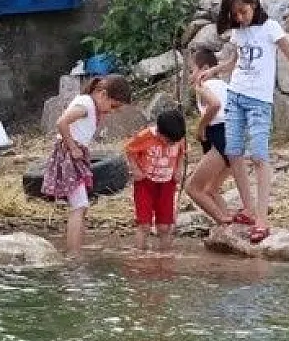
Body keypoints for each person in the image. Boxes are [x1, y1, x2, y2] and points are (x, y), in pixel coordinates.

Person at [193, 0, 289, 244]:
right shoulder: (239, 33)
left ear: (253, 4)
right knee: (233, 152)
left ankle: (262, 219)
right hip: (236, 96)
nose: (240, 18)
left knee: (259, 156)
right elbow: (237, 61)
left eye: (243, 12)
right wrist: (214, 70)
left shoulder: (271, 29)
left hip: (258, 101)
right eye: (235, 15)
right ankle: (248, 208)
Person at [41, 74, 133, 253]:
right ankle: (74, 254)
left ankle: (76, 248)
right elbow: (61, 122)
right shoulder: (86, 104)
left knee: (81, 205)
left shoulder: (92, 106)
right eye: (113, 106)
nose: (111, 111)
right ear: (103, 94)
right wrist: (73, 147)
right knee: (79, 205)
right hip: (70, 154)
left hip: (76, 153)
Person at [183, 47, 234, 226]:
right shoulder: (225, 86)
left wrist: (200, 126)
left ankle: (223, 221)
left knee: (193, 188)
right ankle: (230, 226)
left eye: (191, 71)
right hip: (235, 137)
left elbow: (215, 105)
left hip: (221, 135)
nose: (190, 76)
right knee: (210, 189)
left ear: (204, 69)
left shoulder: (203, 85)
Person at [124, 108, 188, 243]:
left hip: (167, 183)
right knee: (144, 225)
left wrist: (179, 169)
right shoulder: (145, 136)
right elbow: (129, 149)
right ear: (159, 132)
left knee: (165, 227)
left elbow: (183, 152)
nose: (172, 144)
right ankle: (140, 257)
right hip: (145, 183)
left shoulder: (178, 137)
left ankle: (164, 257)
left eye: (174, 143)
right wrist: (135, 169)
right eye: (169, 142)